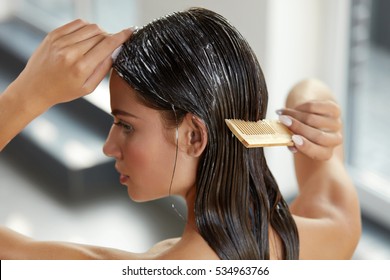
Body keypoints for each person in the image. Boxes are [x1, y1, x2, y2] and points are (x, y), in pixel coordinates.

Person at [0, 8, 361, 259]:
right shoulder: (321, 238)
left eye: (125, 125)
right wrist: (311, 114)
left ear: (193, 136)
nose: (109, 146)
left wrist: (28, 93)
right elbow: (312, 91)